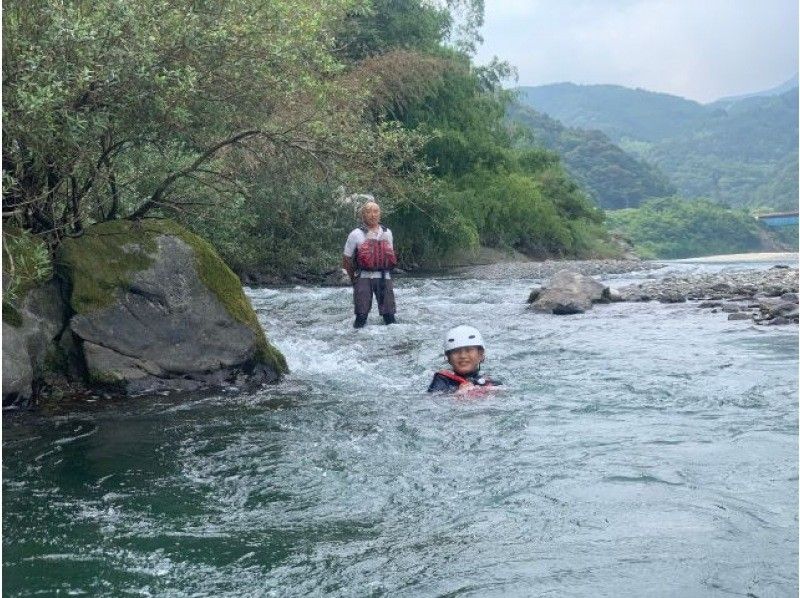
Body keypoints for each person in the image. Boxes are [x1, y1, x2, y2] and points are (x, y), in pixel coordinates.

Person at [343, 198, 397, 328]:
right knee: (361, 317)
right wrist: (354, 279)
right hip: (363, 277)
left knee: (390, 317)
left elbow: (389, 255)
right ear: (363, 215)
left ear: (380, 214)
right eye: (368, 212)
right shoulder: (355, 234)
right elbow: (346, 259)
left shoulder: (387, 233)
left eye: (376, 211)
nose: (373, 215)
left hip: (384, 277)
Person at [427, 325, 501, 393]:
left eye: (469, 350)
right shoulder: (441, 381)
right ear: (448, 358)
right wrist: (458, 394)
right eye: (456, 351)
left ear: (481, 355)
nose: (463, 356)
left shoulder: (491, 384)